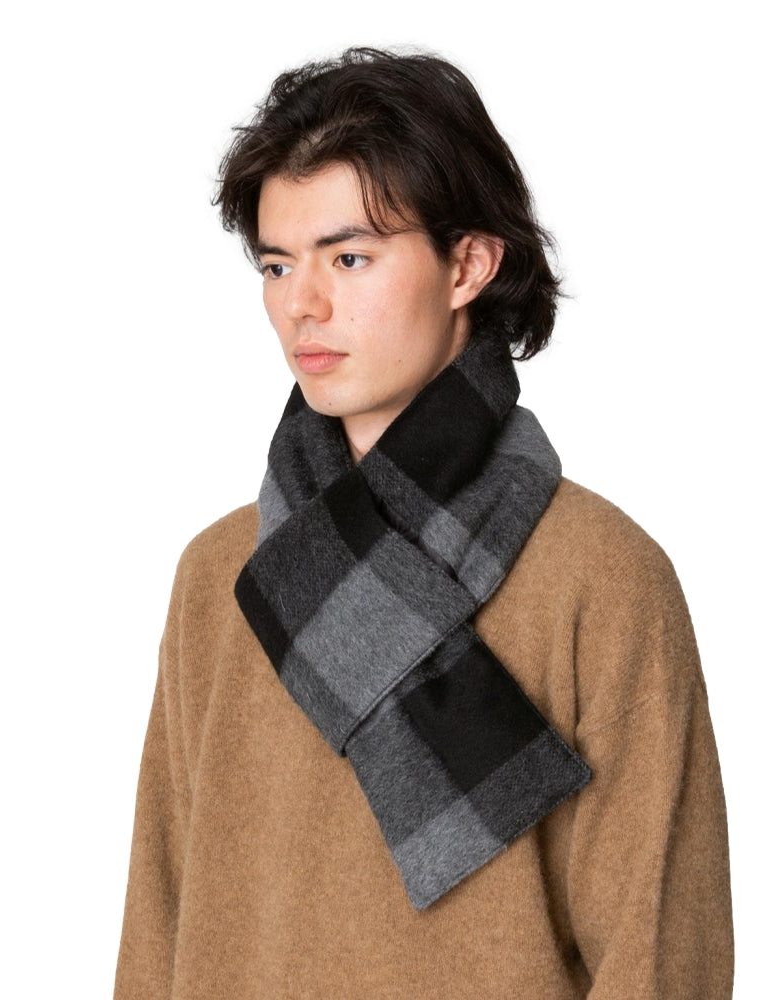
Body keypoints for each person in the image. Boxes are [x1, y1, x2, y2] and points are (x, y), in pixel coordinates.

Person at [113, 47, 733, 999]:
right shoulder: (220, 574)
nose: (301, 304)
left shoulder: (599, 575)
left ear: (468, 265)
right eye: (277, 264)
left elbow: (660, 958)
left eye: (349, 257)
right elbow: (158, 925)